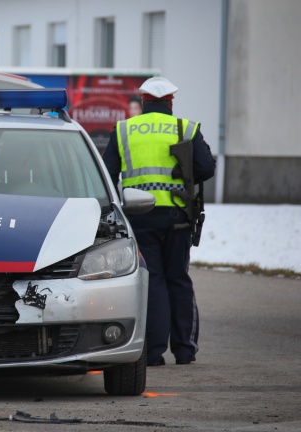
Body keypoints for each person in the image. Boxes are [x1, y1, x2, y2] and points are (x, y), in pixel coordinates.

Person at [102, 77, 216, 366]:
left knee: (150, 280)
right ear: (171, 102)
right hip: (178, 217)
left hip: (140, 217)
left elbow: (107, 173)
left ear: (143, 100)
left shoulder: (124, 129)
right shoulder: (186, 128)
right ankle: (185, 350)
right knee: (178, 278)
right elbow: (205, 168)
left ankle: (152, 352)